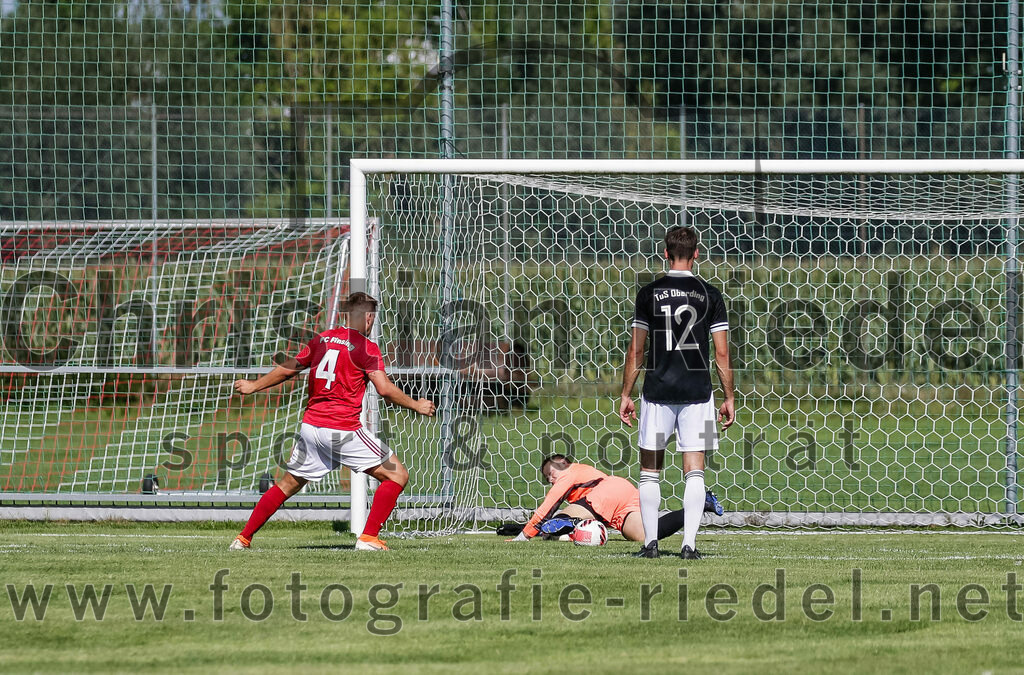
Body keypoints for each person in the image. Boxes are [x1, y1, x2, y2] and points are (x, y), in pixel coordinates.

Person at [229, 292, 436, 552]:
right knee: (397, 475)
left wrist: (253, 386)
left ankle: (243, 538)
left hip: (311, 429)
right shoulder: (366, 347)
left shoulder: (322, 339)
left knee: (288, 484)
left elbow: (289, 367)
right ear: (369, 318)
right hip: (342, 430)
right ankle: (369, 537)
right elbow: (383, 389)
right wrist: (416, 404)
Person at [619, 226, 735, 559]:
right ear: (697, 253)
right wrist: (728, 398)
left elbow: (636, 351)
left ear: (665, 253)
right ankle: (689, 545)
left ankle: (650, 544)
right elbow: (722, 354)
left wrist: (626, 393)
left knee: (649, 470)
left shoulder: (649, 293)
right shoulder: (710, 295)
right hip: (699, 393)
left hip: (656, 392)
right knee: (695, 469)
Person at [506, 454, 724, 542]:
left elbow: (548, 506)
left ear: (562, 463)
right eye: (548, 479)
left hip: (606, 493)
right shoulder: (581, 475)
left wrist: (524, 536)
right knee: (648, 534)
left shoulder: (570, 472)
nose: (551, 481)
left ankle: (562, 528)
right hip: (622, 496)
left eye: (550, 475)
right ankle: (700, 503)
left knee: (558, 519)